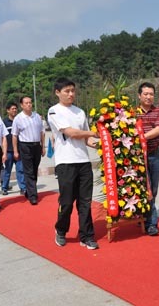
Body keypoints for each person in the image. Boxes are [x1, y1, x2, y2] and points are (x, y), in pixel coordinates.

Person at [48, 78, 99, 250]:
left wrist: (104, 143)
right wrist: (94, 132)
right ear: (57, 92)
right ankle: (61, 230)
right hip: (65, 163)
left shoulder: (80, 112)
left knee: (85, 202)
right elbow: (72, 133)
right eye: (66, 91)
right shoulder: (53, 111)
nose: (71, 94)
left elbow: (86, 139)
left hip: (83, 162)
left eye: (73, 91)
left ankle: (87, 236)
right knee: (67, 201)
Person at [136, 82, 159, 236]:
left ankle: (145, 216)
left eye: (151, 94)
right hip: (138, 157)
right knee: (143, 187)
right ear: (139, 95)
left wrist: (140, 138)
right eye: (145, 94)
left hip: (154, 154)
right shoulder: (131, 113)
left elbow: (158, 129)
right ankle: (151, 223)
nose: (148, 97)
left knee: (153, 188)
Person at [12, 96, 45, 205]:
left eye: (30, 102)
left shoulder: (37, 117)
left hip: (36, 145)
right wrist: (15, 151)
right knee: (28, 170)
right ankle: (33, 196)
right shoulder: (18, 118)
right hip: (25, 146)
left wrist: (43, 146)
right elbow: (14, 136)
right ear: (21, 105)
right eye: (26, 103)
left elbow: (42, 132)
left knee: (34, 169)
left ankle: (29, 191)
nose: (29, 105)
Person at [2, 102, 26, 195]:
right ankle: (4, 187)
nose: (15, 110)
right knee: (7, 170)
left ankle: (23, 188)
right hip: (8, 151)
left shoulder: (20, 120)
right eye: (12, 109)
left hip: (19, 150)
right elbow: (2, 137)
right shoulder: (4, 122)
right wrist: (3, 151)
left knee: (20, 170)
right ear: (8, 110)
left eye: (16, 108)